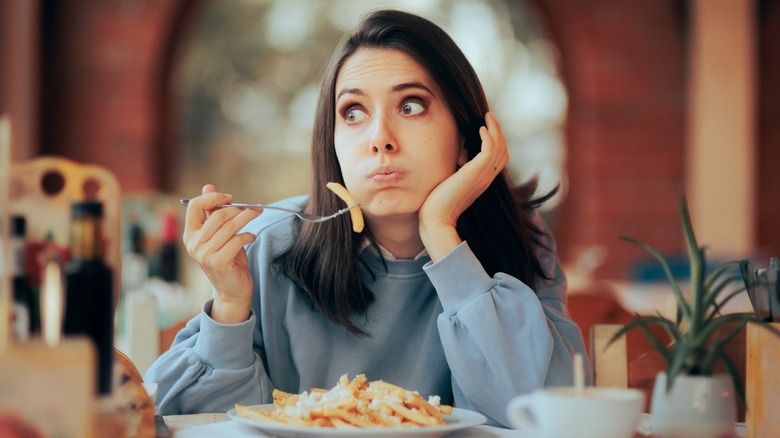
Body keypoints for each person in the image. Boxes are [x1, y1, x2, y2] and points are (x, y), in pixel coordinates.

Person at [145, 9, 588, 427]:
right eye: (353, 113)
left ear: (466, 140)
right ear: (332, 143)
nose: (380, 140)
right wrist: (229, 308)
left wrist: (441, 233)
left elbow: (548, 417)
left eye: (411, 105)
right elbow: (188, 425)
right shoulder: (265, 247)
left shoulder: (522, 241)